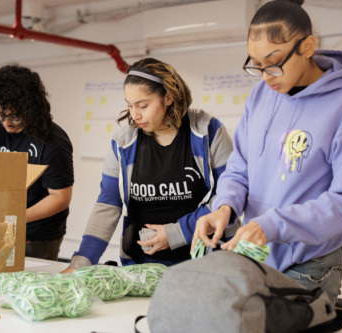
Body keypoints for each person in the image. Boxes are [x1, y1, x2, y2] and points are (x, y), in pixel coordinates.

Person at [192, 0, 342, 305]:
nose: (264, 76)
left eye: (273, 62)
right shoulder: (262, 94)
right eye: (255, 64)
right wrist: (224, 208)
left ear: (307, 47)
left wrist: (272, 224)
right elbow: (240, 167)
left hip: (310, 263)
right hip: (257, 256)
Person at [63, 57, 233, 272]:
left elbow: (228, 197)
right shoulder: (123, 144)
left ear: (168, 97)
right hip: (142, 267)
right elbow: (108, 204)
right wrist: (81, 262)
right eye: (130, 105)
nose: (135, 115)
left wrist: (176, 234)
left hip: (206, 265)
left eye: (143, 105)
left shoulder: (208, 132)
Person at [0, 64, 74, 261]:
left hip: (36, 236)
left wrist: (13, 219)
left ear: (31, 110)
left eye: (14, 117)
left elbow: (60, 197)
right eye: (0, 115)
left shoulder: (52, 141)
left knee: (28, 287)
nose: (6, 123)